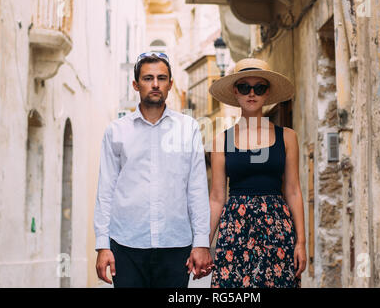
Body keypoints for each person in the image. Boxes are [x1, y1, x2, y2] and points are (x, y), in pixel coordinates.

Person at [94, 52, 213, 288]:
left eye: (162, 78)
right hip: (126, 244)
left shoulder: (187, 128)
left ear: (170, 84)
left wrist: (201, 243)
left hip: (175, 244)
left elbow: (197, 188)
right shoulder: (116, 131)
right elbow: (105, 191)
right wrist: (102, 245)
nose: (155, 84)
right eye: (148, 78)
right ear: (136, 84)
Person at [207, 58, 307, 288]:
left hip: (277, 229)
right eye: (244, 87)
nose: (251, 93)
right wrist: (203, 244)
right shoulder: (221, 140)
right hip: (235, 229)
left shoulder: (288, 137)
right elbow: (216, 197)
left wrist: (301, 242)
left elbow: (293, 190)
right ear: (235, 91)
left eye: (259, 88)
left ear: (267, 92)